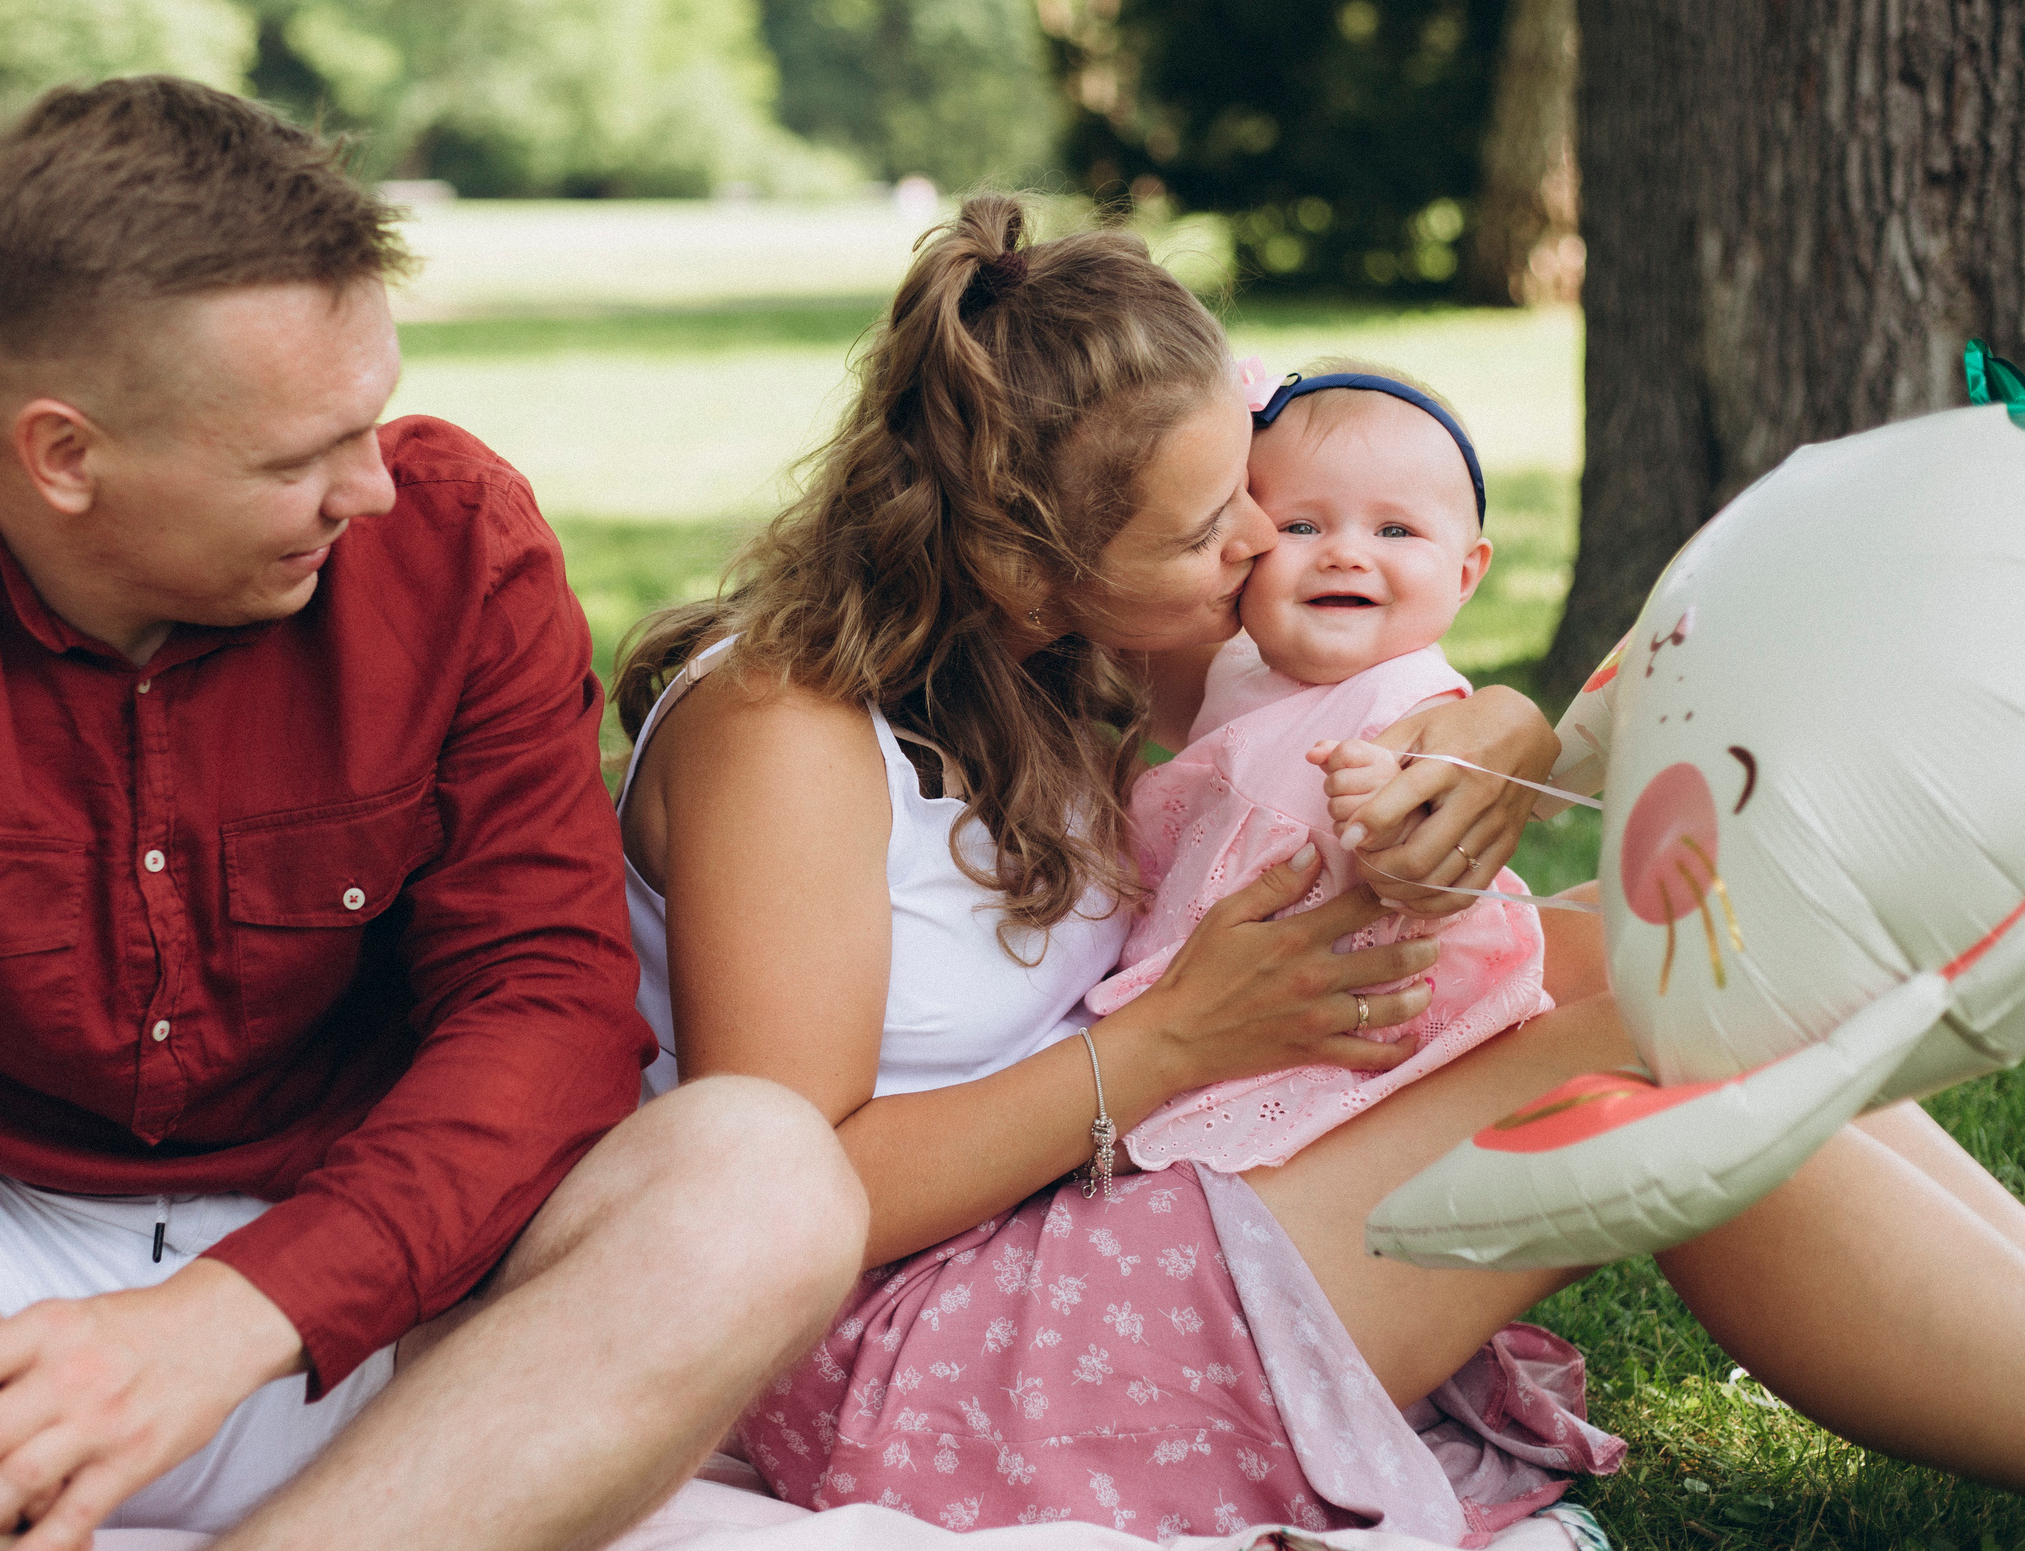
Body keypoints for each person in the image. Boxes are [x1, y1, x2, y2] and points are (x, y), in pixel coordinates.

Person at [0, 77, 866, 1551]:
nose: (372, 490)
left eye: (370, 422)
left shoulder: (456, 547)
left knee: (764, 1170)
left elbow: (549, 1003)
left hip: (381, 1317)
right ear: (64, 455)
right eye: (296, 458)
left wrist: (227, 1318)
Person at [614, 195, 2025, 1540]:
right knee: (1642, 1053)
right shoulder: (783, 732)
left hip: (1072, 1204)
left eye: (1245, 487)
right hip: (901, 1353)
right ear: (1021, 561)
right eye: (1206, 529)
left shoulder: (1045, 651)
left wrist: (1496, 726)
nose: (1256, 542)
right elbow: (787, 1205)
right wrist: (1175, 1040)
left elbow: (1353, 683)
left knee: (1645, 941)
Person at [1082, 364, 1552, 1176]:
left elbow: (1433, 881)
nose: (1345, 554)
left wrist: (1390, 823)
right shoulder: (1238, 669)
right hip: (1218, 987)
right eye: (1300, 525)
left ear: (1466, 573)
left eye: (1395, 531)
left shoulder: (1418, 701)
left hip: (1336, 1028)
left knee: (1186, 1151)